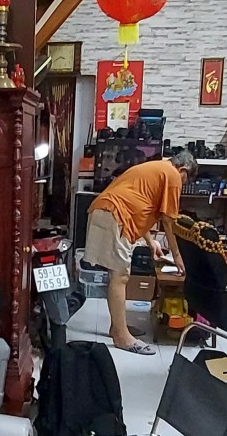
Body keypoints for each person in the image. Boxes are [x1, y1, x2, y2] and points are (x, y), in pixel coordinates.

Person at [83, 148, 197, 354]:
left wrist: (151, 242)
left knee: (118, 275)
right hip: (114, 214)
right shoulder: (172, 175)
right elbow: (168, 221)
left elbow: (141, 205)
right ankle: (121, 336)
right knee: (120, 276)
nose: (182, 185)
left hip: (109, 211)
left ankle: (117, 327)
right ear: (184, 169)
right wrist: (178, 256)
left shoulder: (157, 168)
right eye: (185, 180)